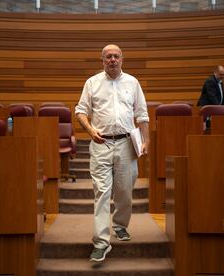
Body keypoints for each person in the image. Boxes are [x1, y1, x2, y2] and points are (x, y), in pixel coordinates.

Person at [75, 44, 150, 262]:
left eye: (116, 56)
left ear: (122, 59)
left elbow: (142, 114)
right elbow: (80, 111)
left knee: (124, 190)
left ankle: (119, 225)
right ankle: (101, 242)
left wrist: (146, 141)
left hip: (127, 144)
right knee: (102, 192)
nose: (113, 60)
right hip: (101, 144)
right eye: (108, 57)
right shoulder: (92, 83)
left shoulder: (132, 82)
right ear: (102, 60)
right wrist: (90, 130)